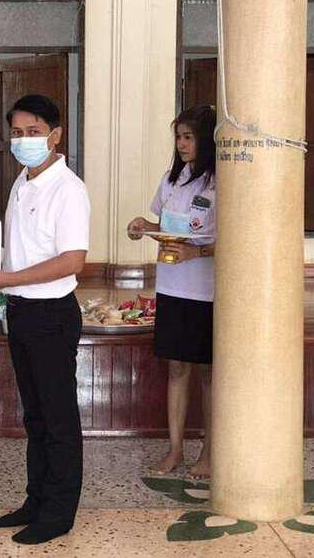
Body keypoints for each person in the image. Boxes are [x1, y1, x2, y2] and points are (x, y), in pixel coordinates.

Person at [0, 94, 90, 546]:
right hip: (20, 310)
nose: (24, 140)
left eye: (34, 132)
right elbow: (20, 246)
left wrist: (8, 279)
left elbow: (72, 260)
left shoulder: (68, 189)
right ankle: (36, 500)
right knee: (35, 416)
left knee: (58, 419)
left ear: (55, 136)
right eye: (17, 133)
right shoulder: (22, 181)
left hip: (51, 313)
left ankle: (59, 513)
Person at [127, 104, 217, 479]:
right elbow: (166, 227)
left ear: (206, 140)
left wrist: (197, 252)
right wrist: (143, 226)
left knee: (209, 373)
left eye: (189, 137)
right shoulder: (171, 179)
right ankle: (175, 449)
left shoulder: (219, 182)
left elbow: (236, 238)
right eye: (178, 137)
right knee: (177, 369)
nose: (181, 144)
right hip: (171, 287)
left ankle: (210, 452)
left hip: (206, 292)